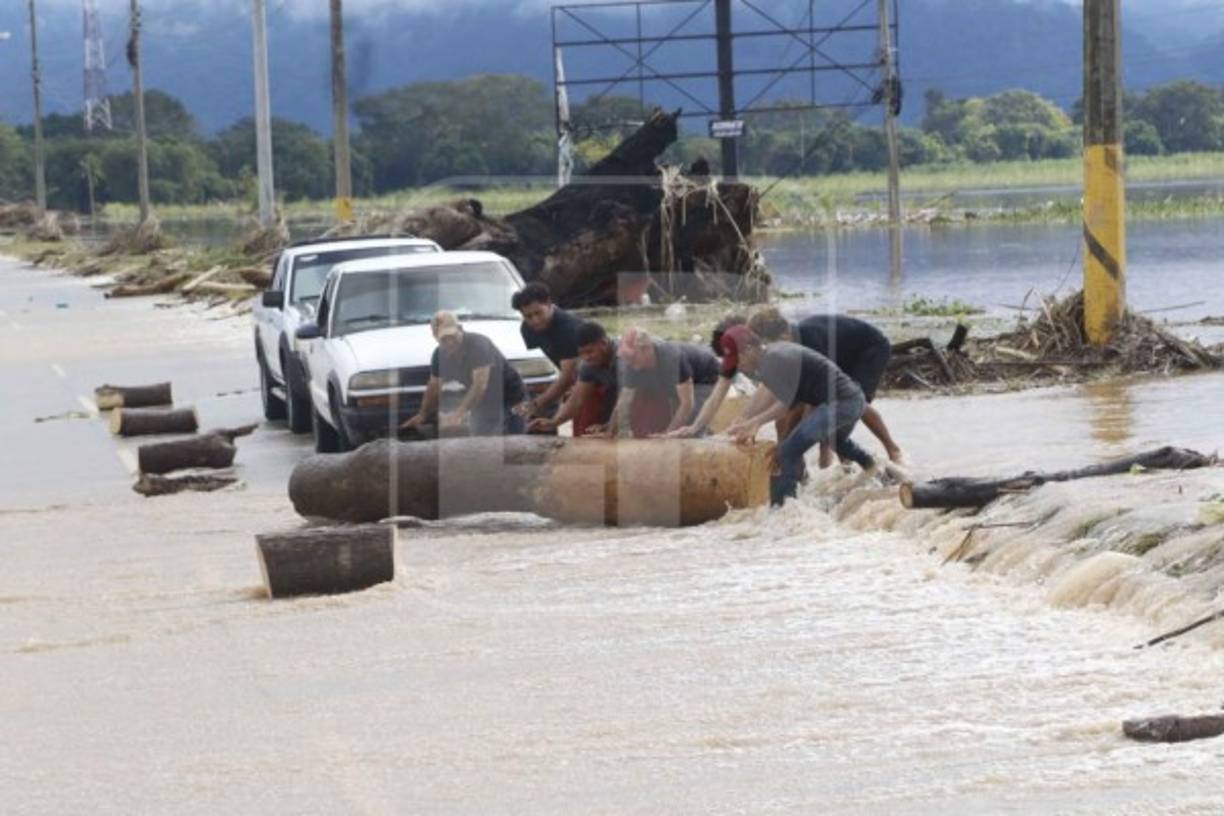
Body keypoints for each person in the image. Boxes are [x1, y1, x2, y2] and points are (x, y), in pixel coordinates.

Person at [721, 325, 875, 506]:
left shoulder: (774, 359)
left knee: (787, 451)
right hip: (847, 400)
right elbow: (768, 392)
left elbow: (785, 405)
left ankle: (782, 509)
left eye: (737, 358)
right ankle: (877, 470)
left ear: (749, 349)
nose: (737, 365)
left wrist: (756, 422)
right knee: (837, 442)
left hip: (842, 403)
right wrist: (744, 419)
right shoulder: (769, 358)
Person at [748, 308, 902, 465]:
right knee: (786, 421)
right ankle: (832, 465)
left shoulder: (809, 339)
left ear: (785, 335)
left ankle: (892, 449)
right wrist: (747, 420)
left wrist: (812, 445)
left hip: (869, 349)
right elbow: (769, 389)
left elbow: (818, 399)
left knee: (856, 401)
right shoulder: (785, 350)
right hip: (840, 354)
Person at [400, 310, 526, 437]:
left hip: (511, 397)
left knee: (512, 439)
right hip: (483, 403)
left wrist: (458, 413)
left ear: (460, 329)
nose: (449, 342)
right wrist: (423, 414)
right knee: (480, 441)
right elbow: (434, 387)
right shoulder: (439, 355)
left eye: (452, 336)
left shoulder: (478, 344)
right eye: (444, 339)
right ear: (435, 337)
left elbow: (480, 385)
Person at [595, 328, 721, 438]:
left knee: (689, 428)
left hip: (704, 377)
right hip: (676, 383)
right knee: (675, 426)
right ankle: (707, 434)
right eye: (626, 359)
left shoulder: (672, 358)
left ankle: (702, 442)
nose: (629, 363)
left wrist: (667, 435)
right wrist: (610, 432)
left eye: (632, 358)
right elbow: (623, 402)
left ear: (646, 349)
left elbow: (687, 404)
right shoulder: (633, 366)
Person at [527, 320, 619, 437]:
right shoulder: (588, 365)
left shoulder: (623, 357)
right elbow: (576, 400)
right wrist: (554, 422)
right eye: (582, 353)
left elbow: (627, 398)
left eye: (590, 351)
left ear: (604, 343)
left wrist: (609, 430)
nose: (586, 357)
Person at [511, 282, 581, 421]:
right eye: (528, 316)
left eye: (538, 313)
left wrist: (536, 404)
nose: (535, 320)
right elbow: (543, 369)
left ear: (548, 304)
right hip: (569, 379)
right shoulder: (527, 329)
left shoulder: (568, 329)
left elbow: (568, 377)